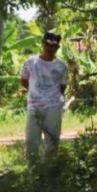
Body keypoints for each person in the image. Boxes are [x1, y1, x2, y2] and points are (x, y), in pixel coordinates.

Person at [21, 31, 68, 160]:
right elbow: (24, 80)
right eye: (48, 45)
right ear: (43, 44)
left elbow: (62, 87)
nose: (50, 48)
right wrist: (36, 93)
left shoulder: (62, 66)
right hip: (34, 106)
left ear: (57, 48)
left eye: (54, 46)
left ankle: (49, 168)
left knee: (52, 140)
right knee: (31, 139)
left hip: (53, 106)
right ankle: (33, 168)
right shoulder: (31, 62)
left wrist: (52, 98)